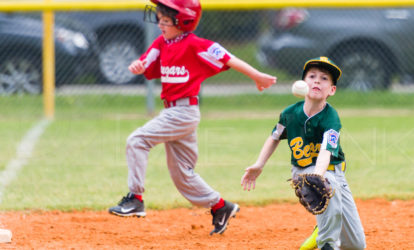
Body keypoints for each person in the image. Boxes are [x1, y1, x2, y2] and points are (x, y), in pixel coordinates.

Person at [108, 0, 277, 236]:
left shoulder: (196, 44)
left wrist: (257, 76)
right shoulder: (162, 42)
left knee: (137, 140)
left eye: (166, 21)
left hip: (184, 112)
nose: (160, 25)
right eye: (159, 19)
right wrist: (138, 65)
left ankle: (135, 198)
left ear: (183, 21)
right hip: (173, 112)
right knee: (182, 174)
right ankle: (221, 207)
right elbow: (147, 60)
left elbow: (228, 58)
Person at [241, 57, 366, 249]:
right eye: (312, 76)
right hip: (302, 171)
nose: (317, 81)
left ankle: (322, 230)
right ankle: (327, 243)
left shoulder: (331, 117)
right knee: (328, 185)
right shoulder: (290, 114)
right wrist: (259, 164)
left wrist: (318, 175)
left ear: (332, 90)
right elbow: (275, 137)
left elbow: (326, 151)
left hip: (332, 171)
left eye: (324, 78)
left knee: (356, 245)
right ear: (303, 84)